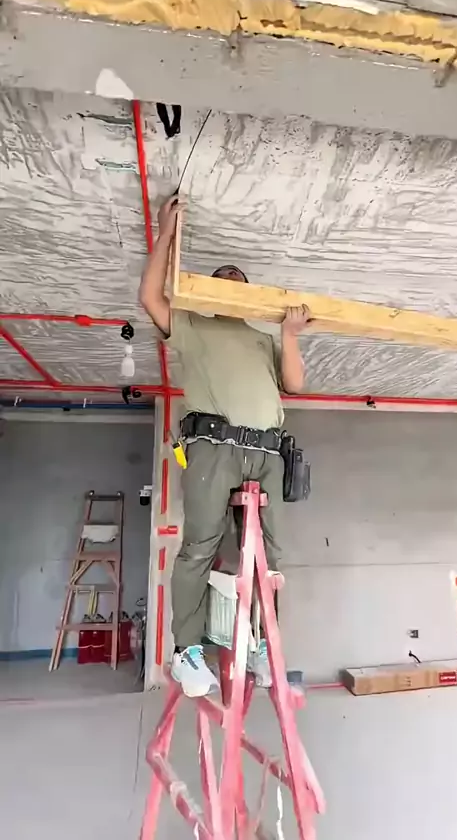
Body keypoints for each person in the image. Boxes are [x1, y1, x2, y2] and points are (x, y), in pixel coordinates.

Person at [140, 196, 310, 697]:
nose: (232, 280)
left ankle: (261, 643)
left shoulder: (262, 339)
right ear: (212, 293)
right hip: (214, 448)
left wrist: (289, 333)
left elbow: (294, 383)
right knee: (200, 546)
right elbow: (150, 296)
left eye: (239, 278)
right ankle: (187, 652)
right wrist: (166, 233)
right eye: (223, 278)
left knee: (269, 557)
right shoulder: (194, 326)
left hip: (268, 453)